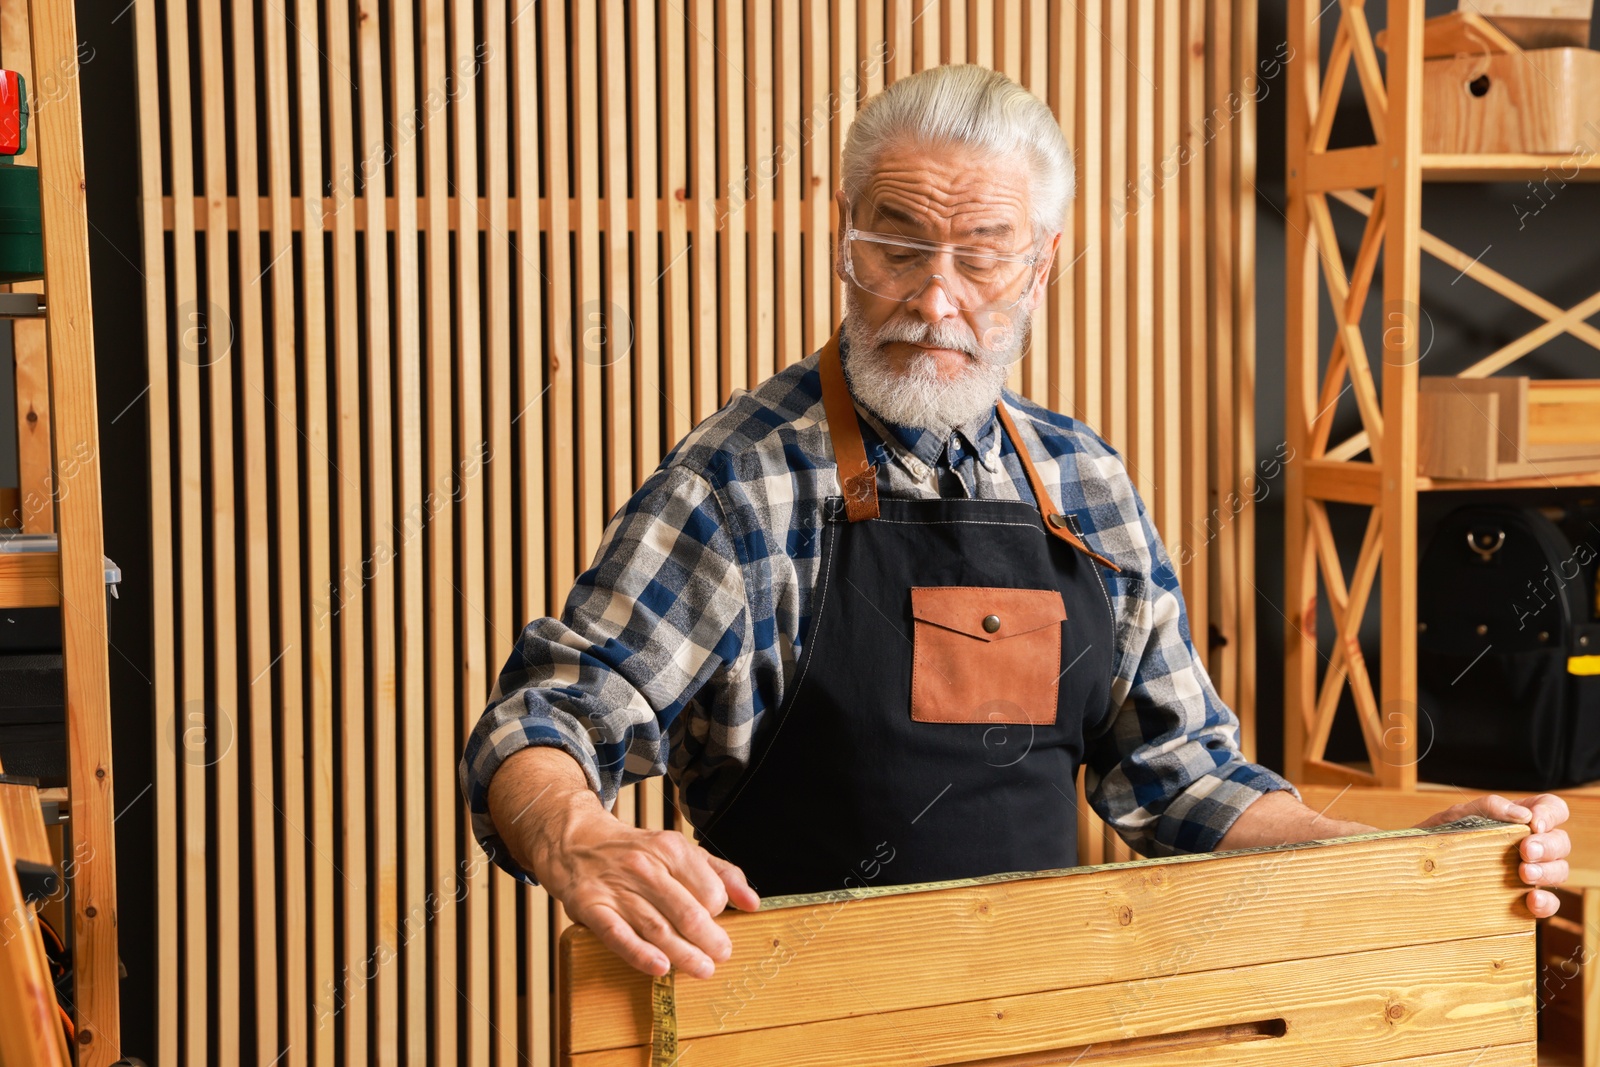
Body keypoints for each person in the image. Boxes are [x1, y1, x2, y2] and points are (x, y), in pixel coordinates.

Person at [459, 64, 1571, 982]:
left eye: (981, 254)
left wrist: (1396, 861)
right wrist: (580, 831)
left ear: (1039, 266)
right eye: (896, 247)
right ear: (845, 239)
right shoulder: (740, 485)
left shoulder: (1084, 481)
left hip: (1044, 1017)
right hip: (790, 1025)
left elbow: (1184, 780)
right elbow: (544, 717)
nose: (934, 299)